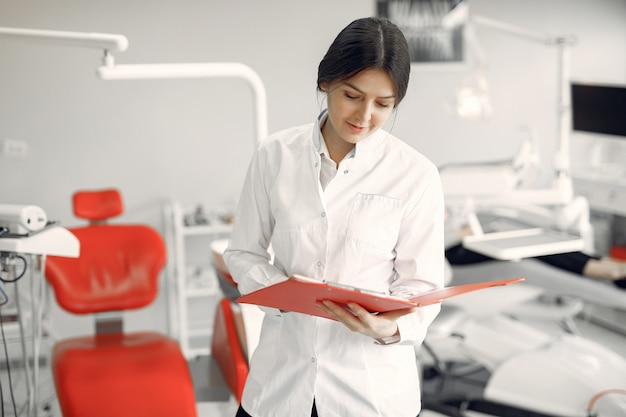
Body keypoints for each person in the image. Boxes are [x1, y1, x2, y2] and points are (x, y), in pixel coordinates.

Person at [223, 16, 445, 417]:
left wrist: (388, 328)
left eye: (383, 105)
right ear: (326, 82)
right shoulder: (274, 155)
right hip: (280, 387)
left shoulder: (416, 174)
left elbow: (423, 288)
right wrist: (282, 295)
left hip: (369, 394)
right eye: (352, 95)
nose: (365, 115)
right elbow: (242, 252)